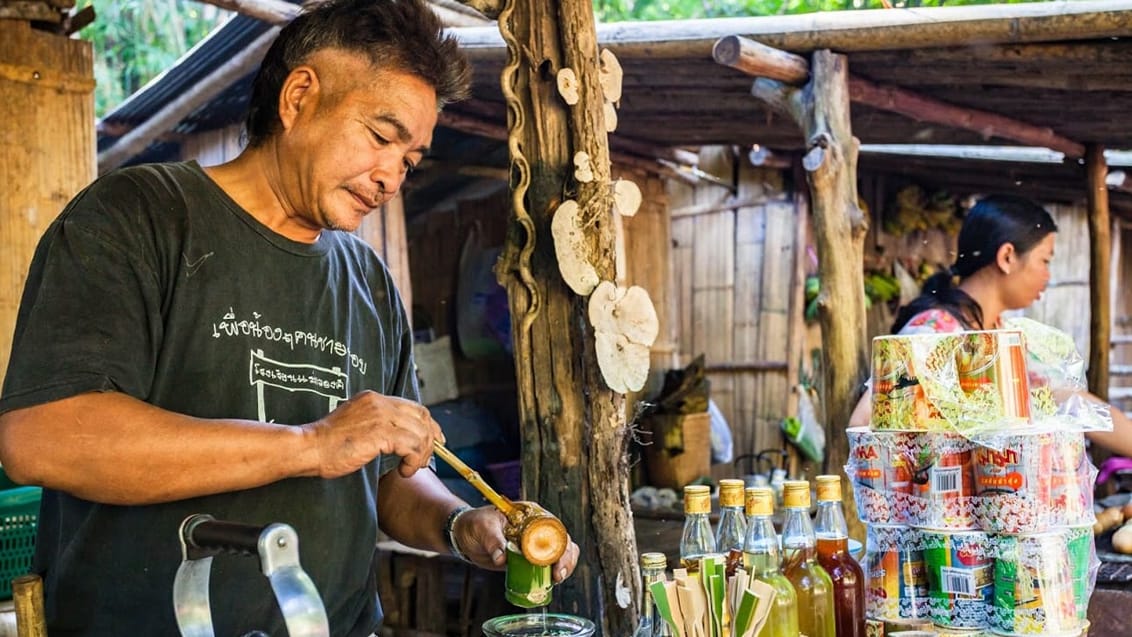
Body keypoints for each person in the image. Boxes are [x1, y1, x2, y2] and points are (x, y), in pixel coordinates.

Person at [0, 1, 578, 634]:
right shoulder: (140, 217)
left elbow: (387, 483)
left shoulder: (369, 284)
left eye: (410, 161)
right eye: (382, 137)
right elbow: (44, 438)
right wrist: (311, 445)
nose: (392, 176)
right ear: (299, 95)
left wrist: (460, 526)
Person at [848, 194, 1132, 458]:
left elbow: (1066, 399)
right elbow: (864, 423)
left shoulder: (1001, 335)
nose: (1047, 275)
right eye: (1044, 260)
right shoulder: (933, 332)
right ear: (1007, 257)